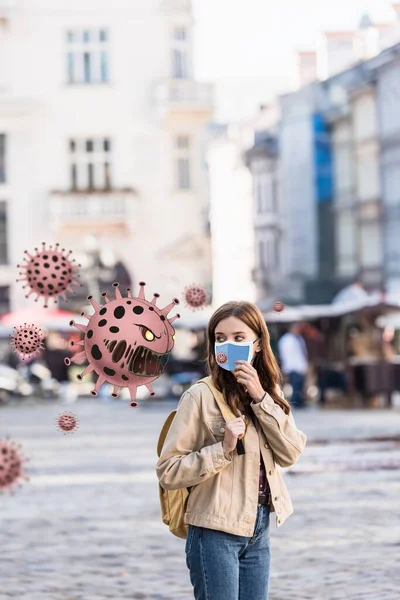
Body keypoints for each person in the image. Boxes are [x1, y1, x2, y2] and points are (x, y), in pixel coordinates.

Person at [156, 301, 307, 600]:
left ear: (259, 343)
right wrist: (222, 450)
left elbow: (290, 453)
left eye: (239, 338)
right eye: (220, 338)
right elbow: (168, 471)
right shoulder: (199, 396)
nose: (228, 345)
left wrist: (261, 398)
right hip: (214, 531)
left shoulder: (270, 393)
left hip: (259, 527)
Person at [277, 323, 308, 408]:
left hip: (300, 366)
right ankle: (296, 403)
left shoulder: (299, 339)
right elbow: (285, 355)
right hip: (292, 366)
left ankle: (300, 401)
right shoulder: (286, 340)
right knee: (295, 385)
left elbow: (302, 354)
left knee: (300, 385)